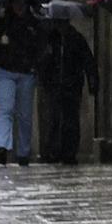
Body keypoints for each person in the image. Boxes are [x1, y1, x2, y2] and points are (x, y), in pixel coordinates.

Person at [0, 0, 45, 166]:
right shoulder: (3, 23)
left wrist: (35, 64)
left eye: (21, 3)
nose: (18, 6)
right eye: (15, 3)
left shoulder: (34, 24)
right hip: (5, 71)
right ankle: (1, 146)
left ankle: (23, 152)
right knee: (5, 109)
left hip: (26, 73)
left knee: (25, 114)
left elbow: (41, 46)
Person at [38, 18, 99, 165]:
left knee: (71, 120)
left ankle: (69, 152)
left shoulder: (76, 38)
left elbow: (88, 60)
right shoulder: (50, 39)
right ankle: (52, 151)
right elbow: (42, 61)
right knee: (53, 119)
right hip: (53, 85)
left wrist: (92, 80)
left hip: (72, 85)